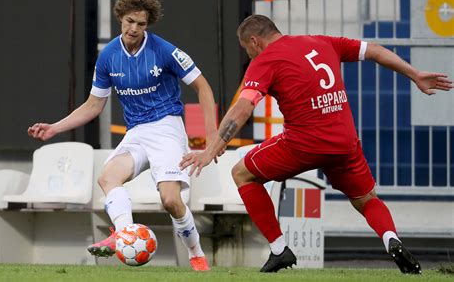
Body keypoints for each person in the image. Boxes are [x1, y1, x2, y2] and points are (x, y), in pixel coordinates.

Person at [180, 14, 453, 273]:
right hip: (344, 143)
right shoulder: (322, 42)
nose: (248, 55)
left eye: (246, 49)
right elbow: (375, 50)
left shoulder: (265, 60)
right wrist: (414, 74)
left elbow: (244, 106)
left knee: (241, 173)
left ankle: (278, 249)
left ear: (254, 41)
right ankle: (391, 238)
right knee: (366, 199)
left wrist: (212, 148)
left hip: (303, 145)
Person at [28, 0, 218, 271]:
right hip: (137, 131)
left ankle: (196, 253)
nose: (134, 29)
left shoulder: (164, 51)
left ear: (147, 25)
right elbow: (94, 105)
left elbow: (203, 87)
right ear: (120, 18)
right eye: (130, 21)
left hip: (167, 127)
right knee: (108, 178)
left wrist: (211, 137)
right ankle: (124, 234)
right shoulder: (108, 57)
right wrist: (55, 127)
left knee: (171, 201)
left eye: (141, 24)